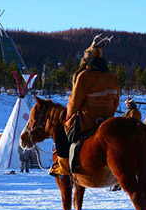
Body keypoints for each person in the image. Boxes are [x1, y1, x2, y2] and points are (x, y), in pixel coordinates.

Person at [49, 34, 120, 178]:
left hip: (87, 122)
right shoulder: (111, 77)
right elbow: (116, 102)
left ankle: (63, 167)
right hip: (106, 119)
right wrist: (110, 116)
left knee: (60, 133)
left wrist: (69, 115)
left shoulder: (84, 76)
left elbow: (74, 101)